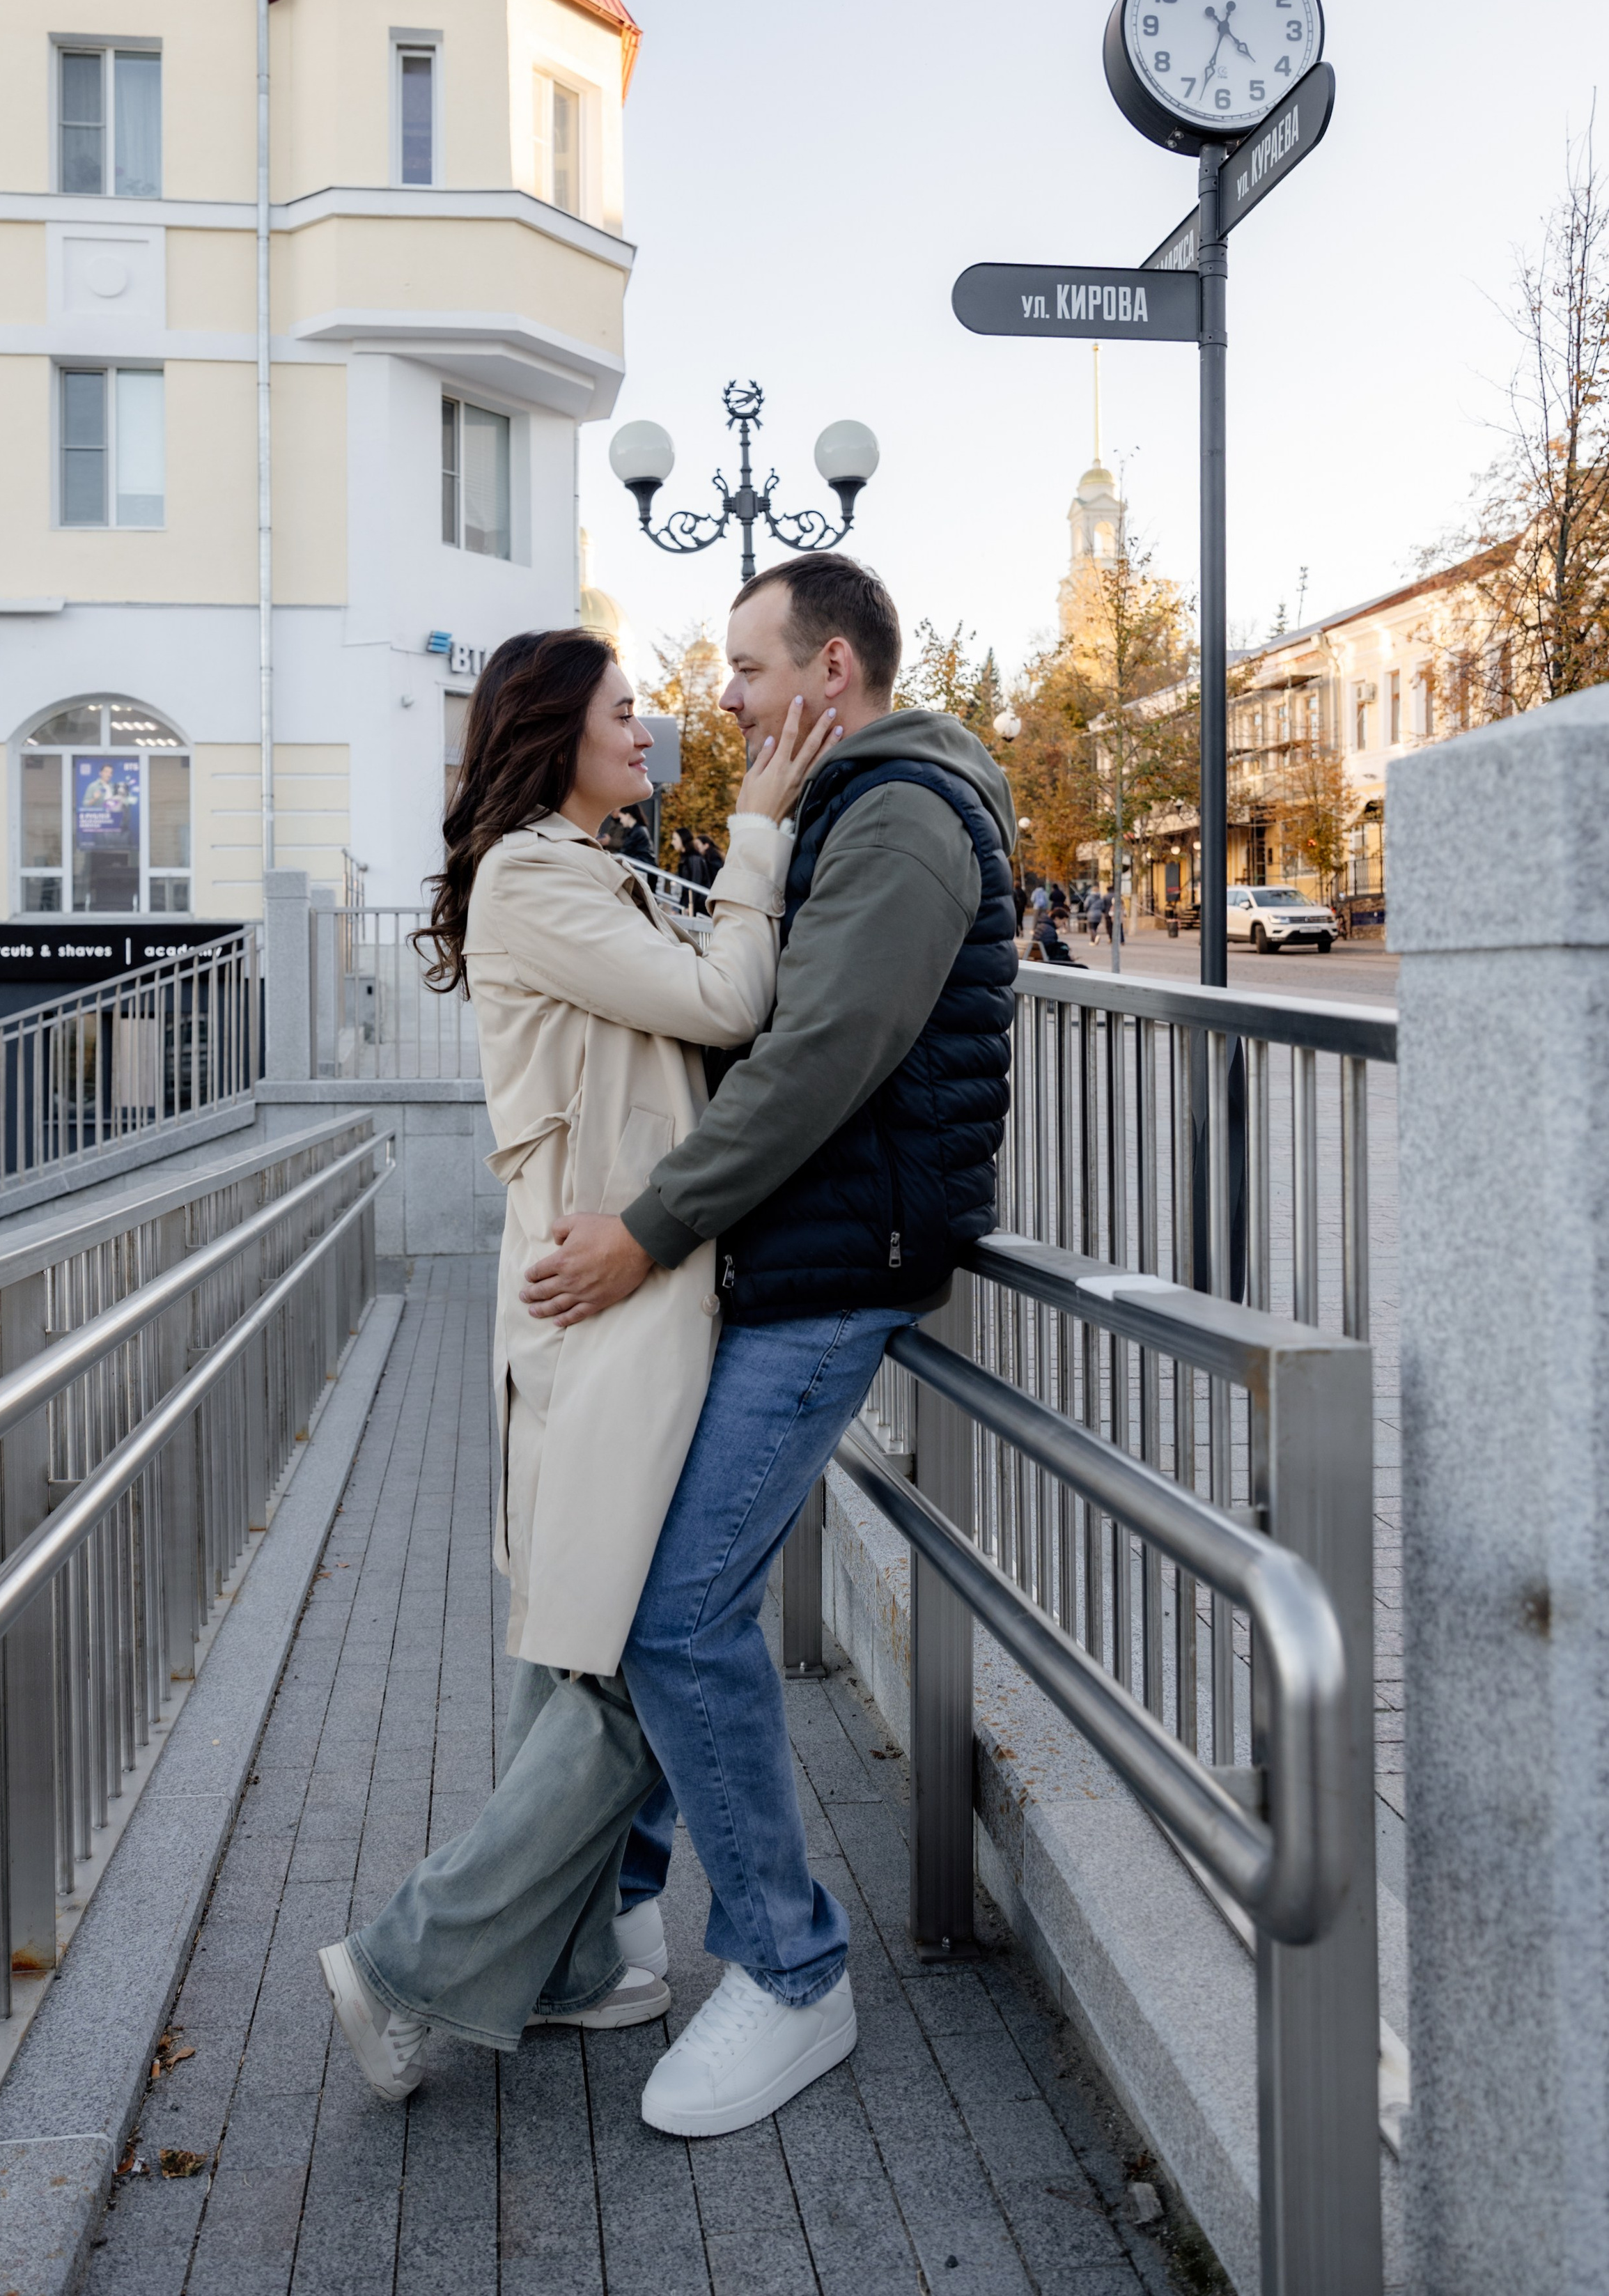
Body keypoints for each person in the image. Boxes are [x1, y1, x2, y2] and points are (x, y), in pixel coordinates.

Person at [522, 553, 1016, 2138]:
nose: (716, 697)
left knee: (674, 1613)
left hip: (835, 1272)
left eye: (745, 665)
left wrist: (651, 1225)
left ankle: (792, 1972)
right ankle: (623, 1912)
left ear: (831, 671)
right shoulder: (836, 808)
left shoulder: (901, 820)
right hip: (788, 1259)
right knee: (661, 1590)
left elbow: (811, 1059)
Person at [317, 627, 840, 2101]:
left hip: (614, 1294)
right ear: (555, 731)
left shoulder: (577, 868)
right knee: (622, 1663)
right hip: (608, 1301)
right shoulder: (535, 875)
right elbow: (729, 1004)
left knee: (579, 1649)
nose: (650, 729)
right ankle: (408, 1963)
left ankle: (567, 1958)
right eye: (625, 711)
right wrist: (755, 840)